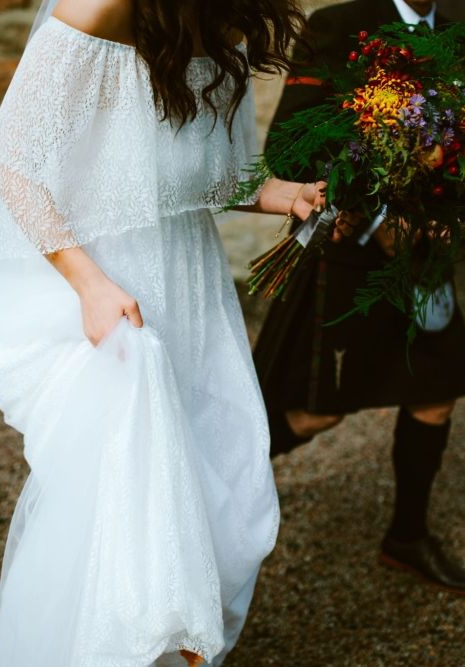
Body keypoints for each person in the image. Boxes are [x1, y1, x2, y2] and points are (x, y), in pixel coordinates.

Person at [0, 0, 356, 664]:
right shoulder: (101, 8)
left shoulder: (221, 19)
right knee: (128, 493)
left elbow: (204, 178)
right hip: (114, 288)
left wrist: (281, 193)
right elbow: (15, 164)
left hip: (192, 289)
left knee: (216, 475)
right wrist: (89, 284)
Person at [255, 0, 465, 593]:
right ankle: (204, 494)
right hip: (348, 255)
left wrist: (444, 209)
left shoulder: (457, 30)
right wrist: (377, 215)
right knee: (315, 411)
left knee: (436, 391)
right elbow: (291, 150)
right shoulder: (338, 26)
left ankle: (406, 537)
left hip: (426, 254)